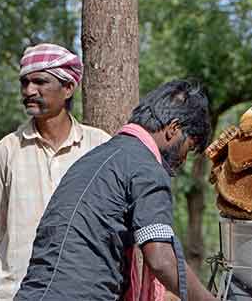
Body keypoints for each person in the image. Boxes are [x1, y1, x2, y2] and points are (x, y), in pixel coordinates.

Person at [14, 80, 217, 301]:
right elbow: (161, 259)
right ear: (173, 129)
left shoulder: (95, 158)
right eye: (188, 147)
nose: (183, 159)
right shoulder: (147, 167)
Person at [0, 43, 111, 301]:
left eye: (40, 82)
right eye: (25, 83)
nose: (29, 90)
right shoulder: (5, 152)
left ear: (68, 88)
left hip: (87, 293)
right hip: (19, 293)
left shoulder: (99, 146)